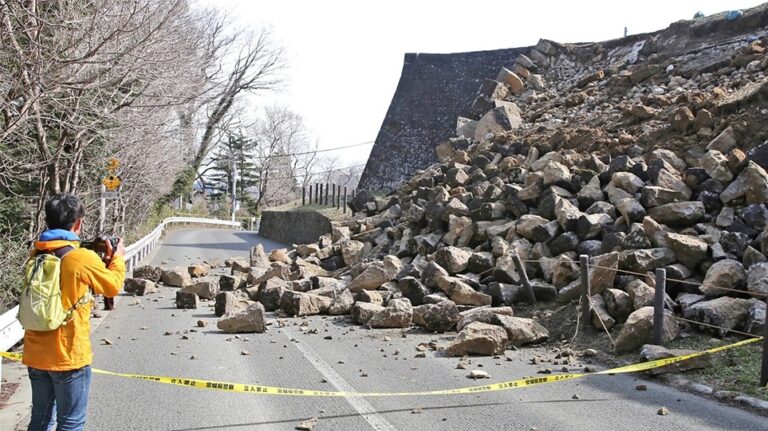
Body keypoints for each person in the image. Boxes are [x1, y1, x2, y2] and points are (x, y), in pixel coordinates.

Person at [23, 193, 125, 431]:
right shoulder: (81, 257)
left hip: (36, 352)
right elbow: (112, 286)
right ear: (78, 223)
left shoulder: (36, 254)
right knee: (71, 423)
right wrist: (117, 259)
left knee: (40, 420)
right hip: (68, 355)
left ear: (47, 221)